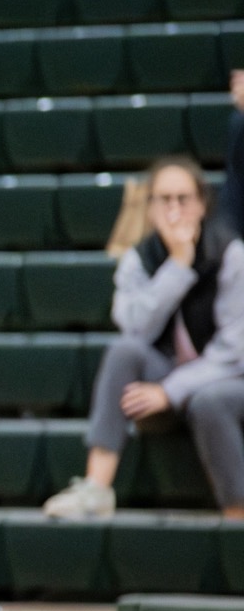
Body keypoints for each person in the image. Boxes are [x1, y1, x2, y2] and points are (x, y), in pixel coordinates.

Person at [44, 155, 244, 520]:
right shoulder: (139, 259)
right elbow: (135, 329)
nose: (174, 210)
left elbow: (235, 352)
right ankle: (96, 488)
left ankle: (237, 516)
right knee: (124, 352)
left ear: (202, 204)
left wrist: (169, 391)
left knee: (210, 401)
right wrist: (178, 266)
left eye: (183, 199)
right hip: (166, 377)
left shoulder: (231, 255)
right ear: (149, 207)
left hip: (228, 382)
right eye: (163, 199)